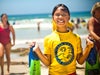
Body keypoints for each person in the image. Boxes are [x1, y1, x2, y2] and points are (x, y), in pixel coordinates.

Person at [29, 4, 93, 75]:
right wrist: (37, 50)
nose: (60, 17)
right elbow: (47, 63)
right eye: (57, 14)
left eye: (64, 14)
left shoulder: (76, 38)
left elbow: (80, 61)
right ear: (53, 17)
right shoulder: (48, 39)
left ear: (69, 17)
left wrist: (88, 46)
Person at [87, 2, 100, 74]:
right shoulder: (92, 19)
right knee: (93, 62)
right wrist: (99, 39)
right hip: (93, 42)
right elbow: (91, 32)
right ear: (94, 10)